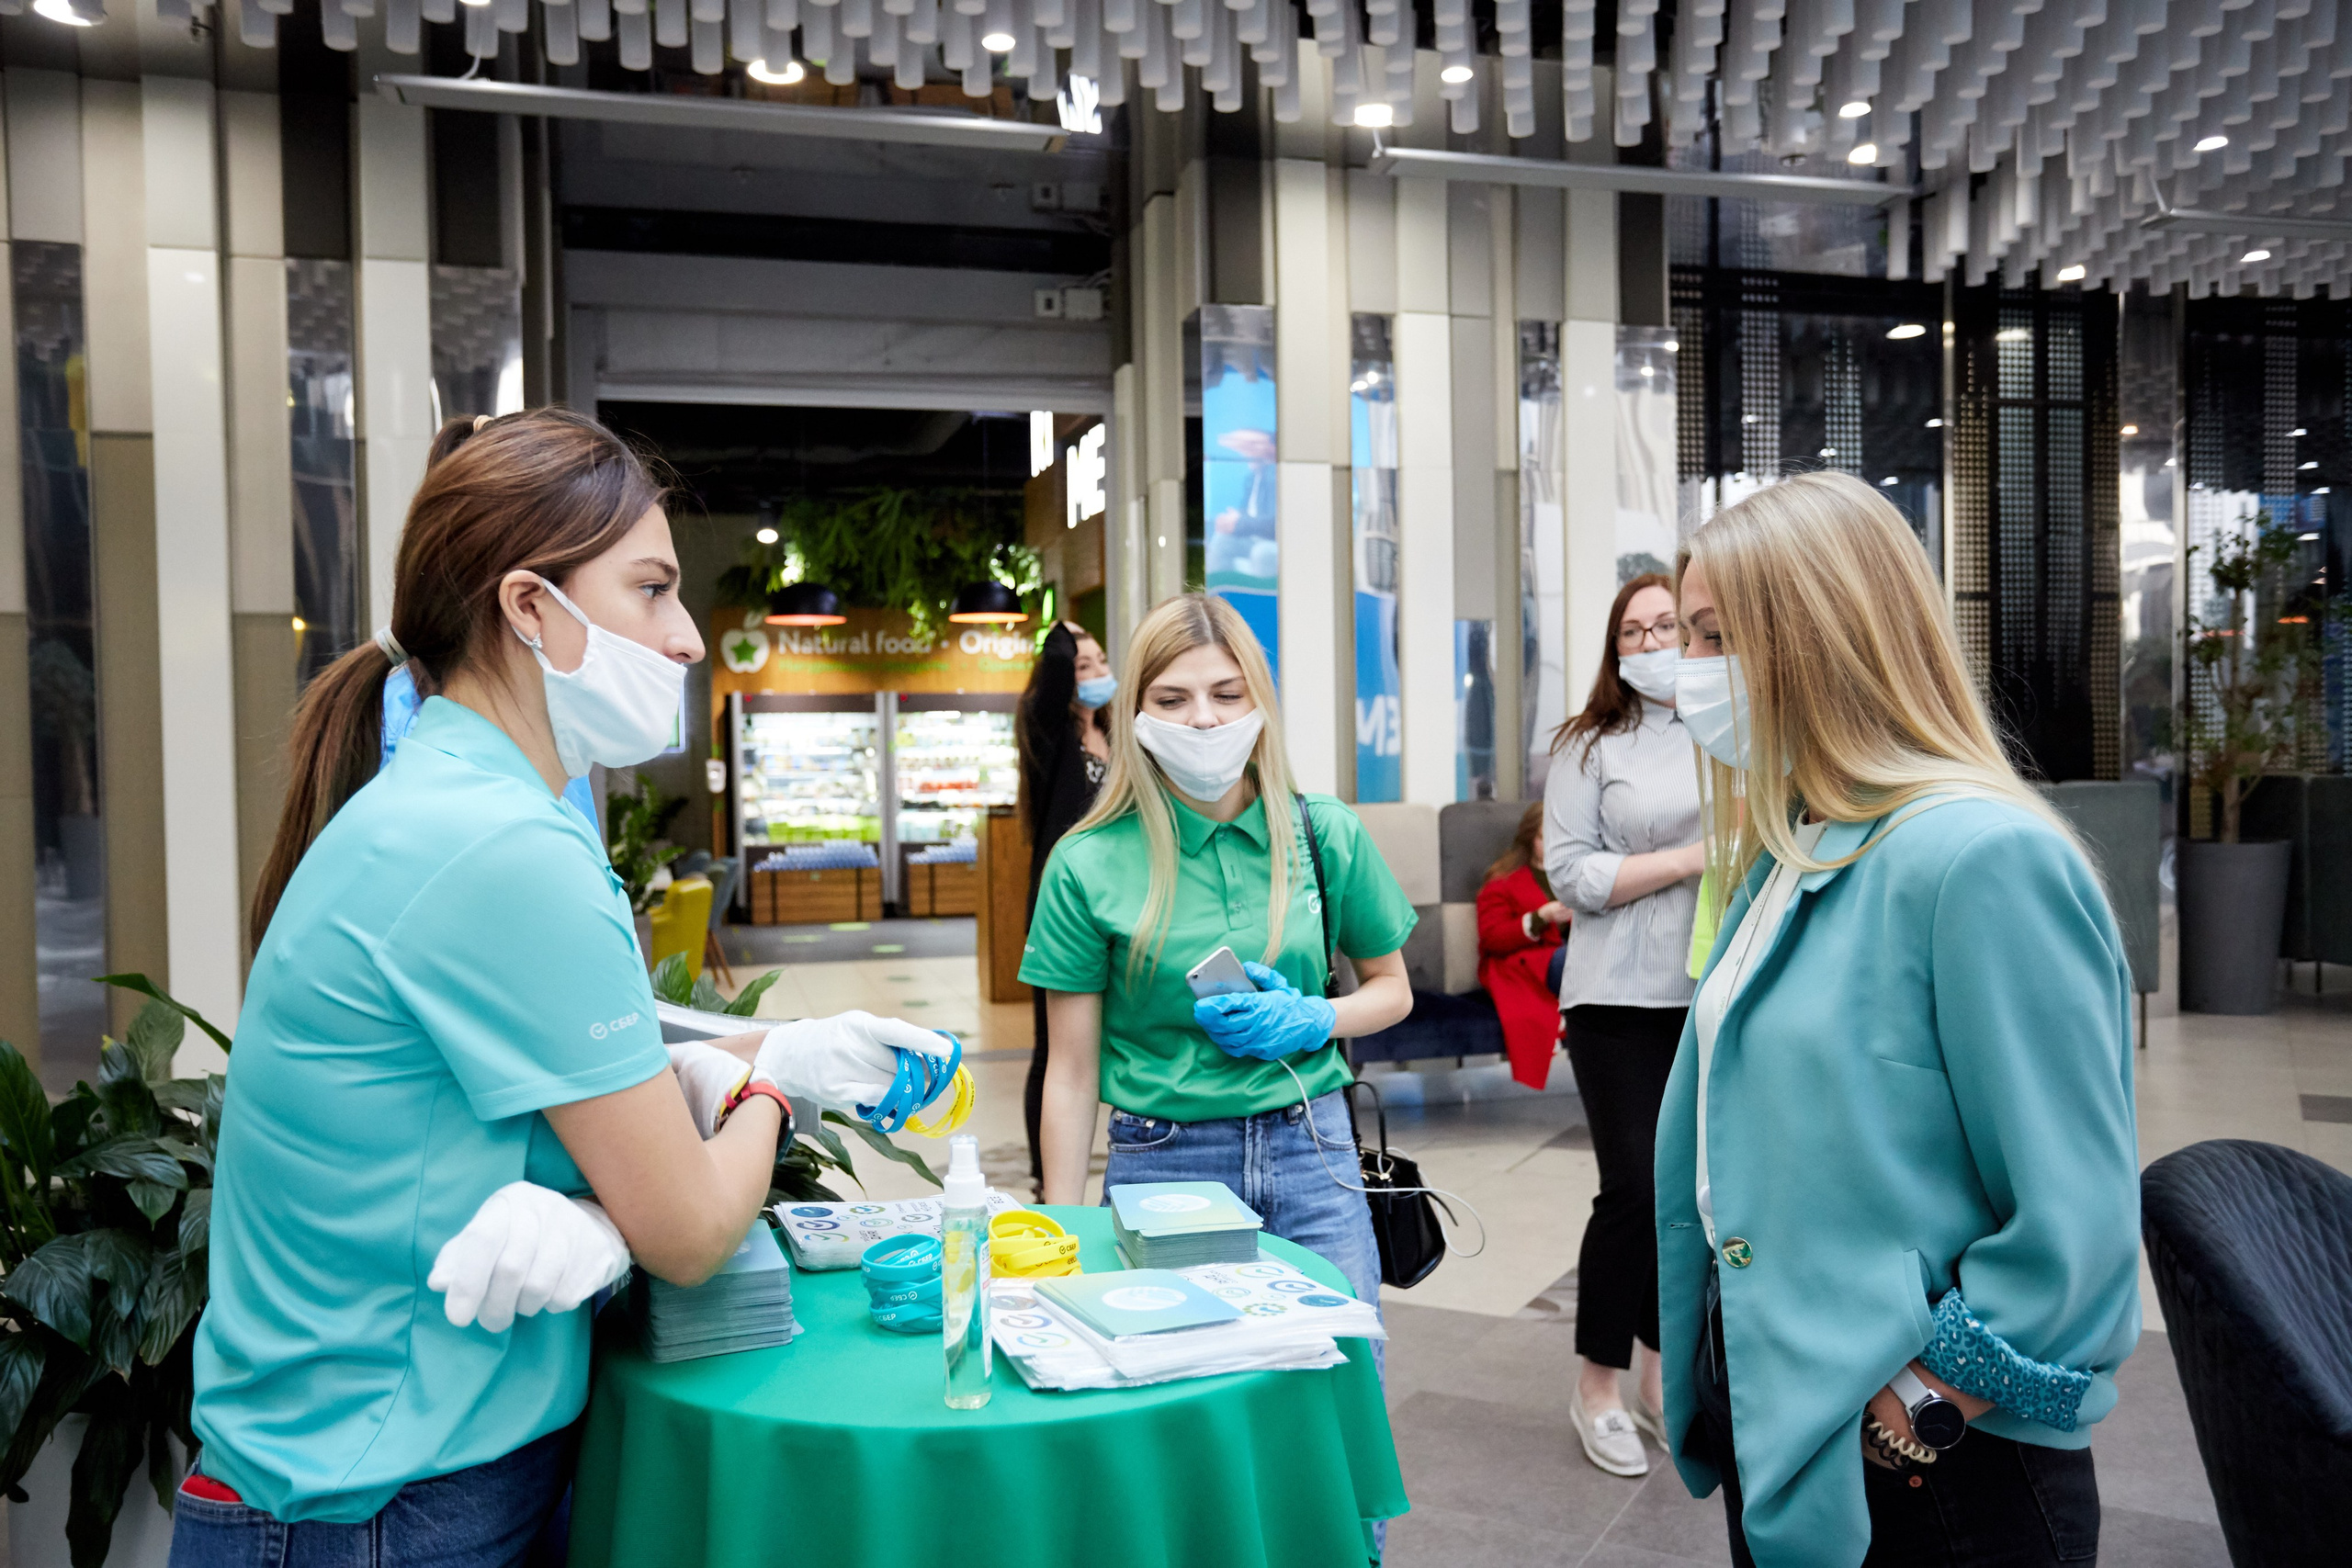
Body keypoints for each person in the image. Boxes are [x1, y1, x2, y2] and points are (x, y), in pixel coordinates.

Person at [178, 411, 952, 1567]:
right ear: (530, 607)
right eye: (651, 590)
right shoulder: (502, 845)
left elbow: (548, 1067)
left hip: (380, 1476)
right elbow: (690, 1229)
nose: (686, 638)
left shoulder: (456, 802)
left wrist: (743, 1060)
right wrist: (768, 1094)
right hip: (378, 1505)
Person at [1657, 471, 2139, 1568]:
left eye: (1714, 637)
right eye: (1686, 637)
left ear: (1821, 634)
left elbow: (2077, 1212)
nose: (1688, 671)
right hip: (1795, 1408)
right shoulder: (1798, 845)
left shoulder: (1978, 857)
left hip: (1934, 1463)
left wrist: (1928, 1398)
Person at [1022, 592, 1417, 1320]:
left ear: (1259, 701)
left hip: (1314, 1151)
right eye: (1172, 698)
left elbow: (1393, 988)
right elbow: (1071, 1074)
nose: (1204, 719)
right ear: (1136, 713)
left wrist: (1316, 1016)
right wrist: (1061, 1231)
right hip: (1163, 1163)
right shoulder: (1086, 862)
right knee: (1175, 1372)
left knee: (1338, 1367)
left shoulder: (1325, 833)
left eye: (1227, 694)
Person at [1541, 571, 1705, 1480]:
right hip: (1614, 997)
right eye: (1632, 632)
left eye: (1667, 626)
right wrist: (1689, 858)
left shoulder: (1732, 731)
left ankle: (1656, 1379)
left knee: (1685, 1198)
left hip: (1711, 992)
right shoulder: (1588, 744)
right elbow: (1572, 875)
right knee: (1634, 1190)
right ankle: (1595, 1386)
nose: (1650, 644)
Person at [1015, 620, 1114, 1190]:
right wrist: (1064, 633)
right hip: (1064, 902)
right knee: (1054, 1046)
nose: (1097, 672)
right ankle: (1045, 1176)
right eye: (1083, 664)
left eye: (1102, 661)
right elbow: (1054, 670)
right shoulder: (1048, 732)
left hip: (1119, 899)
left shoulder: (1119, 732)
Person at [1473, 801, 1568, 1090]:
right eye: (1544, 838)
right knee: (1577, 959)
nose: (1552, 845)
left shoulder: (1576, 876)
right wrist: (1540, 918)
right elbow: (1492, 937)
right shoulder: (1503, 882)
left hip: (1571, 959)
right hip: (1529, 967)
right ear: (1529, 839)